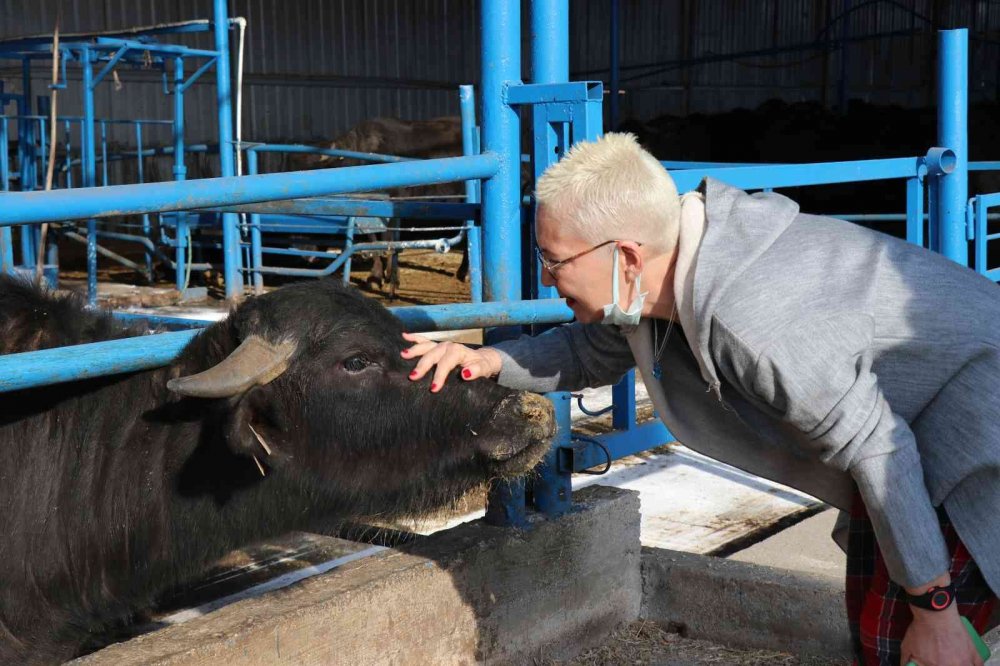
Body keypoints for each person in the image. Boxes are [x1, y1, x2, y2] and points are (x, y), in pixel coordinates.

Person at [401, 132, 998, 666]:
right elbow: (590, 353)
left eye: (553, 262)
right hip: (910, 442)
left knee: (912, 643)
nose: (547, 278)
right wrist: (486, 362)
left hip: (971, 441)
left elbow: (881, 454)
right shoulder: (678, 270)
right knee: (882, 637)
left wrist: (936, 609)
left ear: (627, 257)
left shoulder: (758, 324)